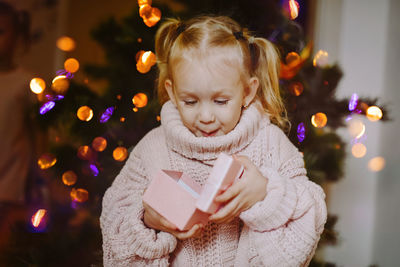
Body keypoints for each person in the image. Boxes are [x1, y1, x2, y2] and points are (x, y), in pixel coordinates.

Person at [100, 15, 327, 266]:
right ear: (172, 93)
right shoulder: (152, 148)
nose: (206, 116)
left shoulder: (270, 144)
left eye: (220, 101)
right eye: (190, 101)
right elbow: (114, 220)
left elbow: (311, 213)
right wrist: (145, 219)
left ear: (248, 92)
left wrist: (267, 192)